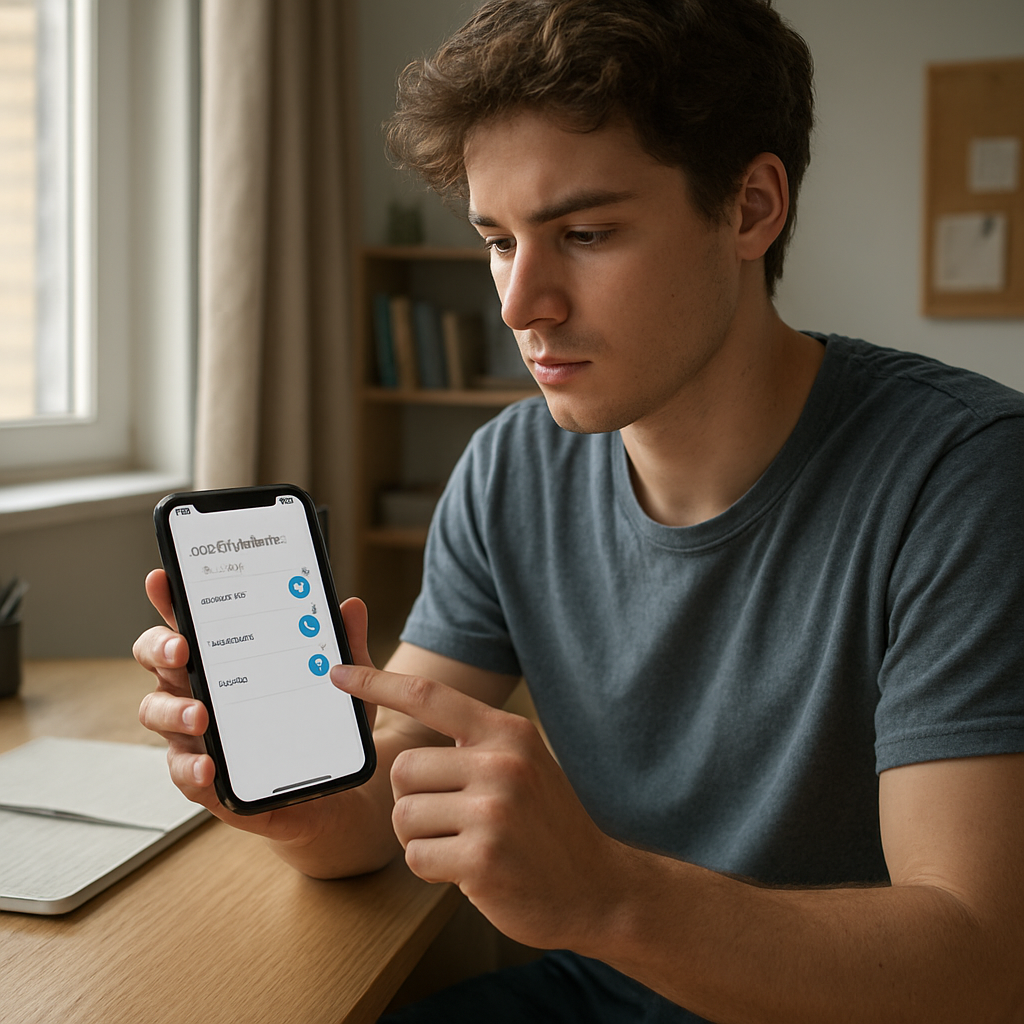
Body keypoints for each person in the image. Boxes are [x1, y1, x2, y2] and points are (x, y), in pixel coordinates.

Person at [134, 1, 1024, 1020]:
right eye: (498, 240)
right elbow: (386, 797)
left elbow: (981, 961)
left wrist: (603, 891)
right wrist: (289, 796)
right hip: (607, 990)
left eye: (585, 233)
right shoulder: (509, 469)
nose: (519, 304)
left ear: (749, 207)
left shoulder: (967, 478)